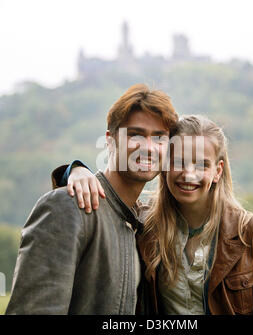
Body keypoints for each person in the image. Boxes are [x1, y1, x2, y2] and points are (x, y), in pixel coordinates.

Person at [56, 115, 253, 315]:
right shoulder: (143, 225)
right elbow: (104, 204)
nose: (188, 175)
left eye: (201, 165)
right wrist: (76, 170)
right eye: (179, 162)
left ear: (217, 171)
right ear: (164, 164)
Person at [5, 84, 178, 315]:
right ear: (110, 140)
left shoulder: (143, 225)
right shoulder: (67, 207)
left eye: (159, 138)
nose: (148, 147)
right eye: (135, 134)